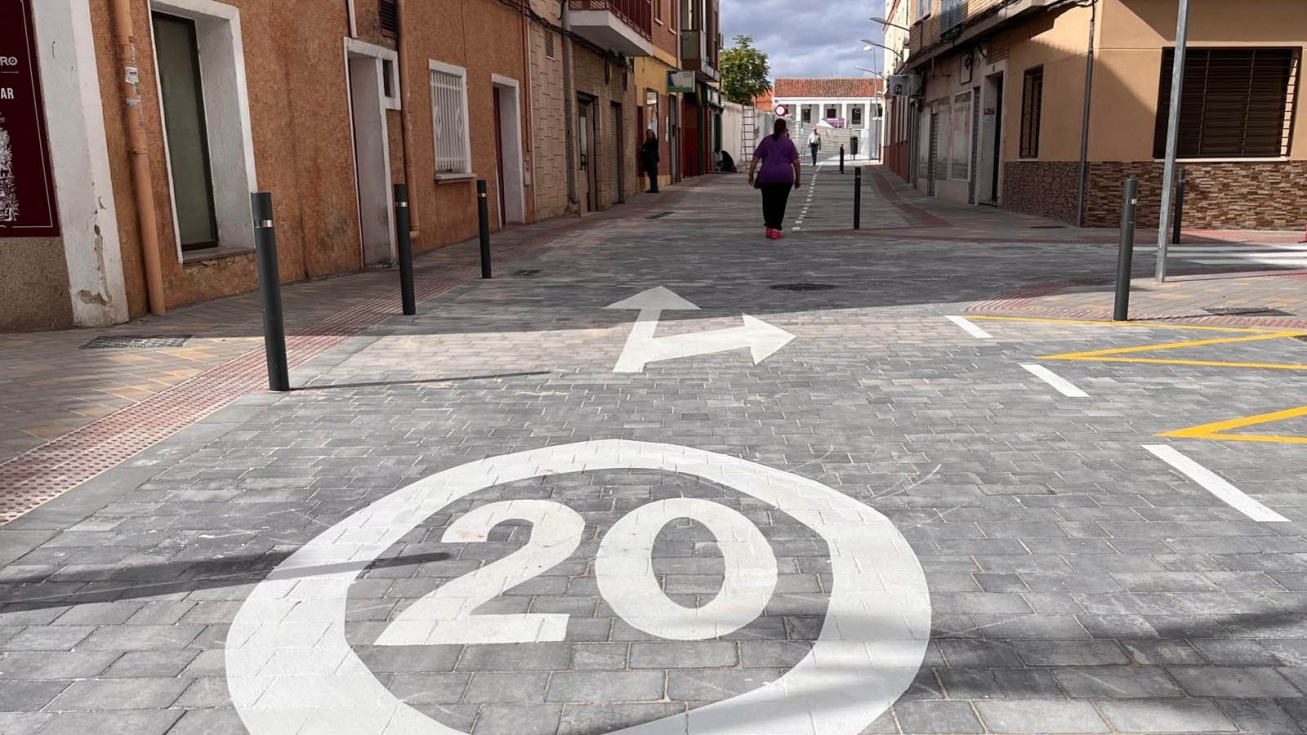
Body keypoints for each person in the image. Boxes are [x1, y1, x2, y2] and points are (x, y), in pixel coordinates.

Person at [748, 118, 802, 240]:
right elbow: (796, 163)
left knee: (767, 202)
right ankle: (776, 229)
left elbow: (755, 159)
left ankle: (769, 227)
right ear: (784, 128)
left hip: (767, 177)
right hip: (785, 177)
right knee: (780, 203)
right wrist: (798, 179)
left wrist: (750, 174)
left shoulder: (766, 141)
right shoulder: (788, 143)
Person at [640, 129, 660, 193]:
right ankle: (653, 188)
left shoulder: (655, 141)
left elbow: (653, 150)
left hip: (653, 159)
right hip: (648, 160)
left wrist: (645, 150)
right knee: (650, 174)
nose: (649, 135)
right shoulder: (647, 141)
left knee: (653, 174)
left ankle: (655, 188)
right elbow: (644, 147)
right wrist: (642, 149)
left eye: (650, 133)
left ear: (652, 134)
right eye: (648, 134)